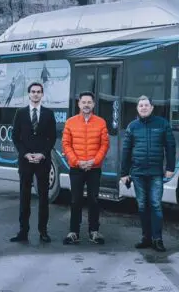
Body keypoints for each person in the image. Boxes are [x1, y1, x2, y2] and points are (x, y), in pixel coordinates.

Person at [120, 95, 176, 252]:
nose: (143, 107)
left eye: (146, 105)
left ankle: (157, 239)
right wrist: (124, 173)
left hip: (155, 173)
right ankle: (146, 238)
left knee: (156, 205)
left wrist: (170, 168)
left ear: (152, 107)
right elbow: (126, 150)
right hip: (137, 173)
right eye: (141, 105)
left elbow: (170, 146)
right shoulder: (132, 126)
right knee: (143, 205)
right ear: (137, 108)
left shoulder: (162, 124)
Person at [9, 82, 57, 243]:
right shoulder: (20, 113)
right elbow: (15, 137)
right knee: (25, 197)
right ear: (29, 94)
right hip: (26, 161)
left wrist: (43, 154)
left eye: (38, 92)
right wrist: (25, 154)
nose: (35, 94)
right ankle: (23, 231)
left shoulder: (49, 114)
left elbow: (52, 138)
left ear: (42, 94)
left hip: (43, 161)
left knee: (43, 197)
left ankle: (43, 231)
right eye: (33, 92)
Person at [61, 91, 110, 245]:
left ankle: (94, 231)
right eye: (84, 102)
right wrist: (77, 161)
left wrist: (94, 161)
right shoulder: (70, 122)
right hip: (76, 168)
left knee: (94, 200)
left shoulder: (101, 122)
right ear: (79, 104)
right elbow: (66, 144)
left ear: (94, 104)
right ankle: (73, 232)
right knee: (75, 200)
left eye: (89, 102)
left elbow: (105, 145)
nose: (86, 105)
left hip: (94, 168)